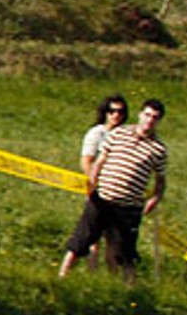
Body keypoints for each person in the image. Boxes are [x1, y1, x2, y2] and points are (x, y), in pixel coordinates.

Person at [60, 99, 167, 279]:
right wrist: (92, 184)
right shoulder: (119, 133)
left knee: (125, 254)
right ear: (140, 115)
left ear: (159, 121)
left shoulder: (158, 150)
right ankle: (61, 278)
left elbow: (161, 180)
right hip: (102, 199)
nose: (149, 120)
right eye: (147, 115)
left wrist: (155, 198)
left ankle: (128, 290)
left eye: (154, 118)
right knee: (79, 242)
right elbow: (100, 161)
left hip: (128, 207)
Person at [59, 94, 127, 274]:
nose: (116, 115)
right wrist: (94, 183)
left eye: (120, 112)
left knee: (112, 238)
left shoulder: (125, 134)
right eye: (112, 111)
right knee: (92, 237)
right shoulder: (97, 134)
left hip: (117, 192)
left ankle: (112, 276)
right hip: (98, 189)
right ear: (105, 112)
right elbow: (86, 161)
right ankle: (92, 272)